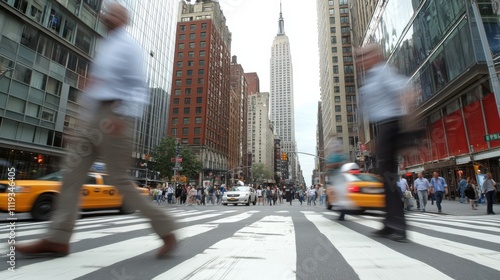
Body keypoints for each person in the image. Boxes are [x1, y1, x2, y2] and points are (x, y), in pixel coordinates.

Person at [15, 3, 176, 258]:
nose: (105, 15)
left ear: (123, 19)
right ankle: (58, 238)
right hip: (93, 118)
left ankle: (166, 229)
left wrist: (123, 116)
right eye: (106, 12)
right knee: (71, 174)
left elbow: (138, 85)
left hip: (115, 115)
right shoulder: (106, 46)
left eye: (112, 13)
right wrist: (78, 124)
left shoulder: (129, 46)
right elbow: (93, 89)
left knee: (118, 180)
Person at [357, 43, 409, 242]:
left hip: (392, 124)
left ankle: (398, 226)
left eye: (365, 55)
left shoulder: (383, 71)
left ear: (376, 55)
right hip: (382, 128)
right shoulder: (368, 77)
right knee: (384, 175)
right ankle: (390, 223)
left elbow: (405, 92)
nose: (362, 60)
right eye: (360, 57)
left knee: (388, 178)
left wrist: (408, 125)